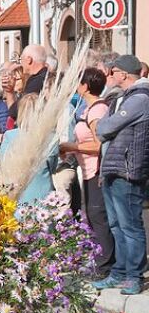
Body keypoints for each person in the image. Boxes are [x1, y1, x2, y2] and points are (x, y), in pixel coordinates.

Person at [94, 54, 149, 295]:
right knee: (116, 225)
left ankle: (134, 276)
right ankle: (119, 272)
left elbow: (105, 127)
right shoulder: (121, 98)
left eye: (113, 71)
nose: (110, 76)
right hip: (113, 168)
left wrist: (105, 127)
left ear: (124, 74)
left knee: (130, 225)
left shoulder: (140, 98)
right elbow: (102, 128)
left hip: (128, 170)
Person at [59, 67, 114, 279]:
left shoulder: (97, 111)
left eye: (78, 82)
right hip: (88, 169)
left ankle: (105, 266)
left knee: (98, 216)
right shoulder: (87, 108)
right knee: (92, 216)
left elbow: (99, 144)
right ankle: (101, 262)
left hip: (96, 169)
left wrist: (73, 147)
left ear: (85, 86)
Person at [0, 94, 57, 204]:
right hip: (43, 195)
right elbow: (53, 166)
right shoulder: (50, 137)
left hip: (17, 194)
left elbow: (2, 164)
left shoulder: (10, 136)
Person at [8, 44, 49, 123]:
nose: (20, 64)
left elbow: (16, 111)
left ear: (29, 60)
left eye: (21, 59)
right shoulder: (47, 76)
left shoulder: (37, 81)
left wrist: (9, 91)